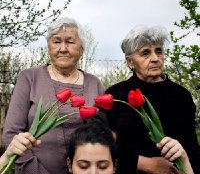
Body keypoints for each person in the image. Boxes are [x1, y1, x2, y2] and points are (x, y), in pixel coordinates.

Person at [3, 17, 104, 174]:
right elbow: (12, 133)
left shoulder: (94, 83)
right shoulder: (29, 78)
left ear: (82, 49)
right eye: (56, 42)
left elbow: (103, 134)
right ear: (49, 47)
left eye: (70, 42)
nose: (63, 48)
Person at [103, 25, 200, 173]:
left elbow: (191, 147)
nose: (155, 58)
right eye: (145, 53)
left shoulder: (181, 96)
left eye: (159, 51)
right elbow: (103, 146)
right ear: (130, 62)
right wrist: (145, 164)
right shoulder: (116, 95)